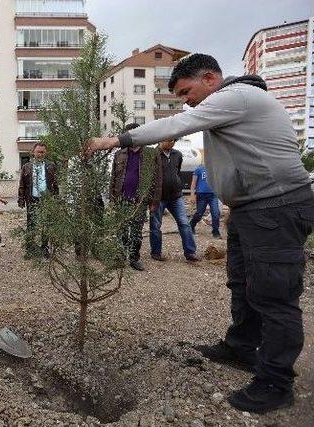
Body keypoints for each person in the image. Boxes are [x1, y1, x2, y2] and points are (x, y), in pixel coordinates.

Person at [87, 53, 314, 413]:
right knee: (242, 284)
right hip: (251, 209)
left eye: (185, 90)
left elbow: (177, 124)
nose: (185, 99)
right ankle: (241, 347)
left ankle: (275, 380)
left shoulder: (235, 97)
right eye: (179, 94)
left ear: (210, 78)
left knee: (274, 294)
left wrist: (114, 140)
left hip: (275, 206)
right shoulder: (231, 103)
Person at [108, 123, 162, 271]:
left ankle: (134, 258)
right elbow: (113, 177)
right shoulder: (120, 154)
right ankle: (120, 257)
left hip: (140, 201)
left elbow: (158, 179)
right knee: (121, 231)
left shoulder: (151, 154)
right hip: (121, 199)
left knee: (137, 232)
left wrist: (154, 201)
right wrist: (112, 198)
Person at [148, 139, 199, 262]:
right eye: (169, 140)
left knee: (184, 223)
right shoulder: (152, 155)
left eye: (174, 141)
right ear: (161, 140)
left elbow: (177, 172)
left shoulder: (178, 155)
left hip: (176, 197)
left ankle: (190, 253)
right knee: (155, 226)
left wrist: (178, 184)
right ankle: (156, 253)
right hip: (158, 198)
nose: (172, 143)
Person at [18, 142, 59, 258]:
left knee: (46, 224)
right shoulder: (27, 167)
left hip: (47, 200)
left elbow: (55, 184)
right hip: (32, 199)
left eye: (42, 152)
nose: (40, 154)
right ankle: (30, 248)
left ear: (45, 153)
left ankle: (44, 248)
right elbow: (22, 184)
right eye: (38, 152)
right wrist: (21, 199)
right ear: (33, 152)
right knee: (31, 224)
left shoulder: (51, 166)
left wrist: (56, 199)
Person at [190, 163, 221, 238]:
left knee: (216, 213)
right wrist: (192, 195)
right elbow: (193, 183)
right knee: (199, 214)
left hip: (213, 195)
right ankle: (191, 225)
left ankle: (215, 231)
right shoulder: (198, 169)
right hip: (201, 195)